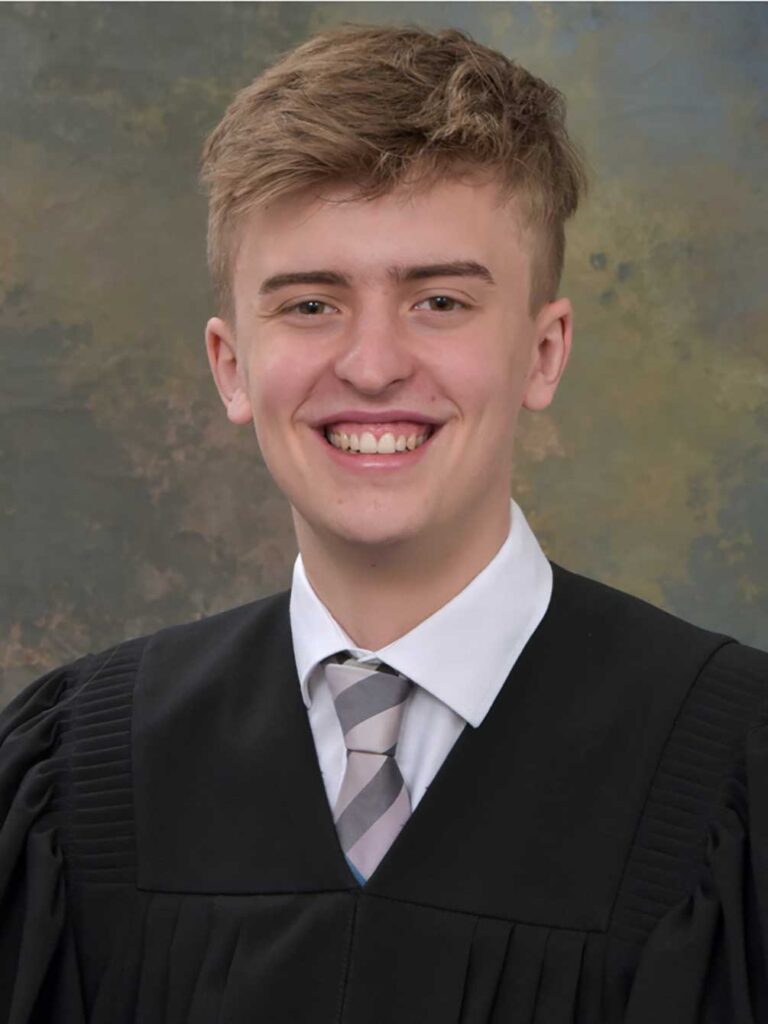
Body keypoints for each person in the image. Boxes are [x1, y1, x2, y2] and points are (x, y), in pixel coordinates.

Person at [0, 24, 766, 1024]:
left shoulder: (733, 782)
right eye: (311, 305)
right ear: (231, 366)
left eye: (439, 300)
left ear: (543, 352)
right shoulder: (75, 785)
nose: (372, 366)